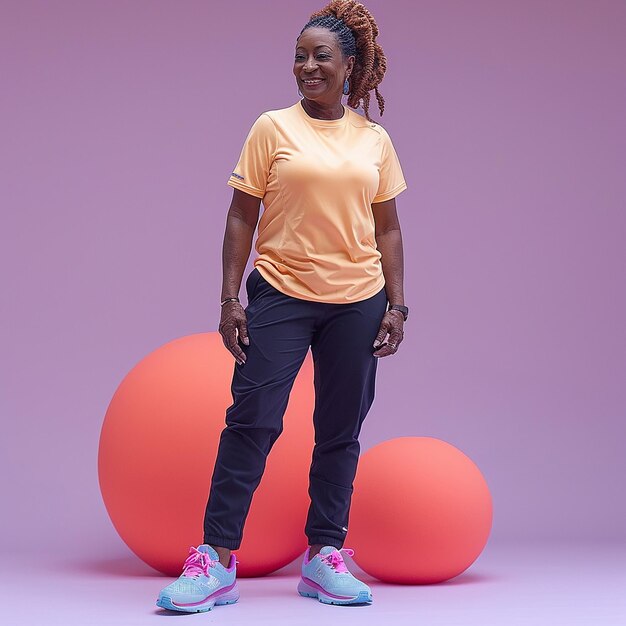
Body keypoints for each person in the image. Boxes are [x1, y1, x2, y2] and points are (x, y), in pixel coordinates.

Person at [156, 0, 408, 612]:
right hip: (281, 291)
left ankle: (325, 556)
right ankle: (215, 559)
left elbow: (390, 229)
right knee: (253, 421)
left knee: (340, 431)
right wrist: (228, 297)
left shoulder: (374, 140)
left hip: (358, 300)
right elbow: (242, 214)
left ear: (350, 65)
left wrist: (398, 306)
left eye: (322, 56)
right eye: (300, 56)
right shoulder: (272, 128)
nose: (308, 66)